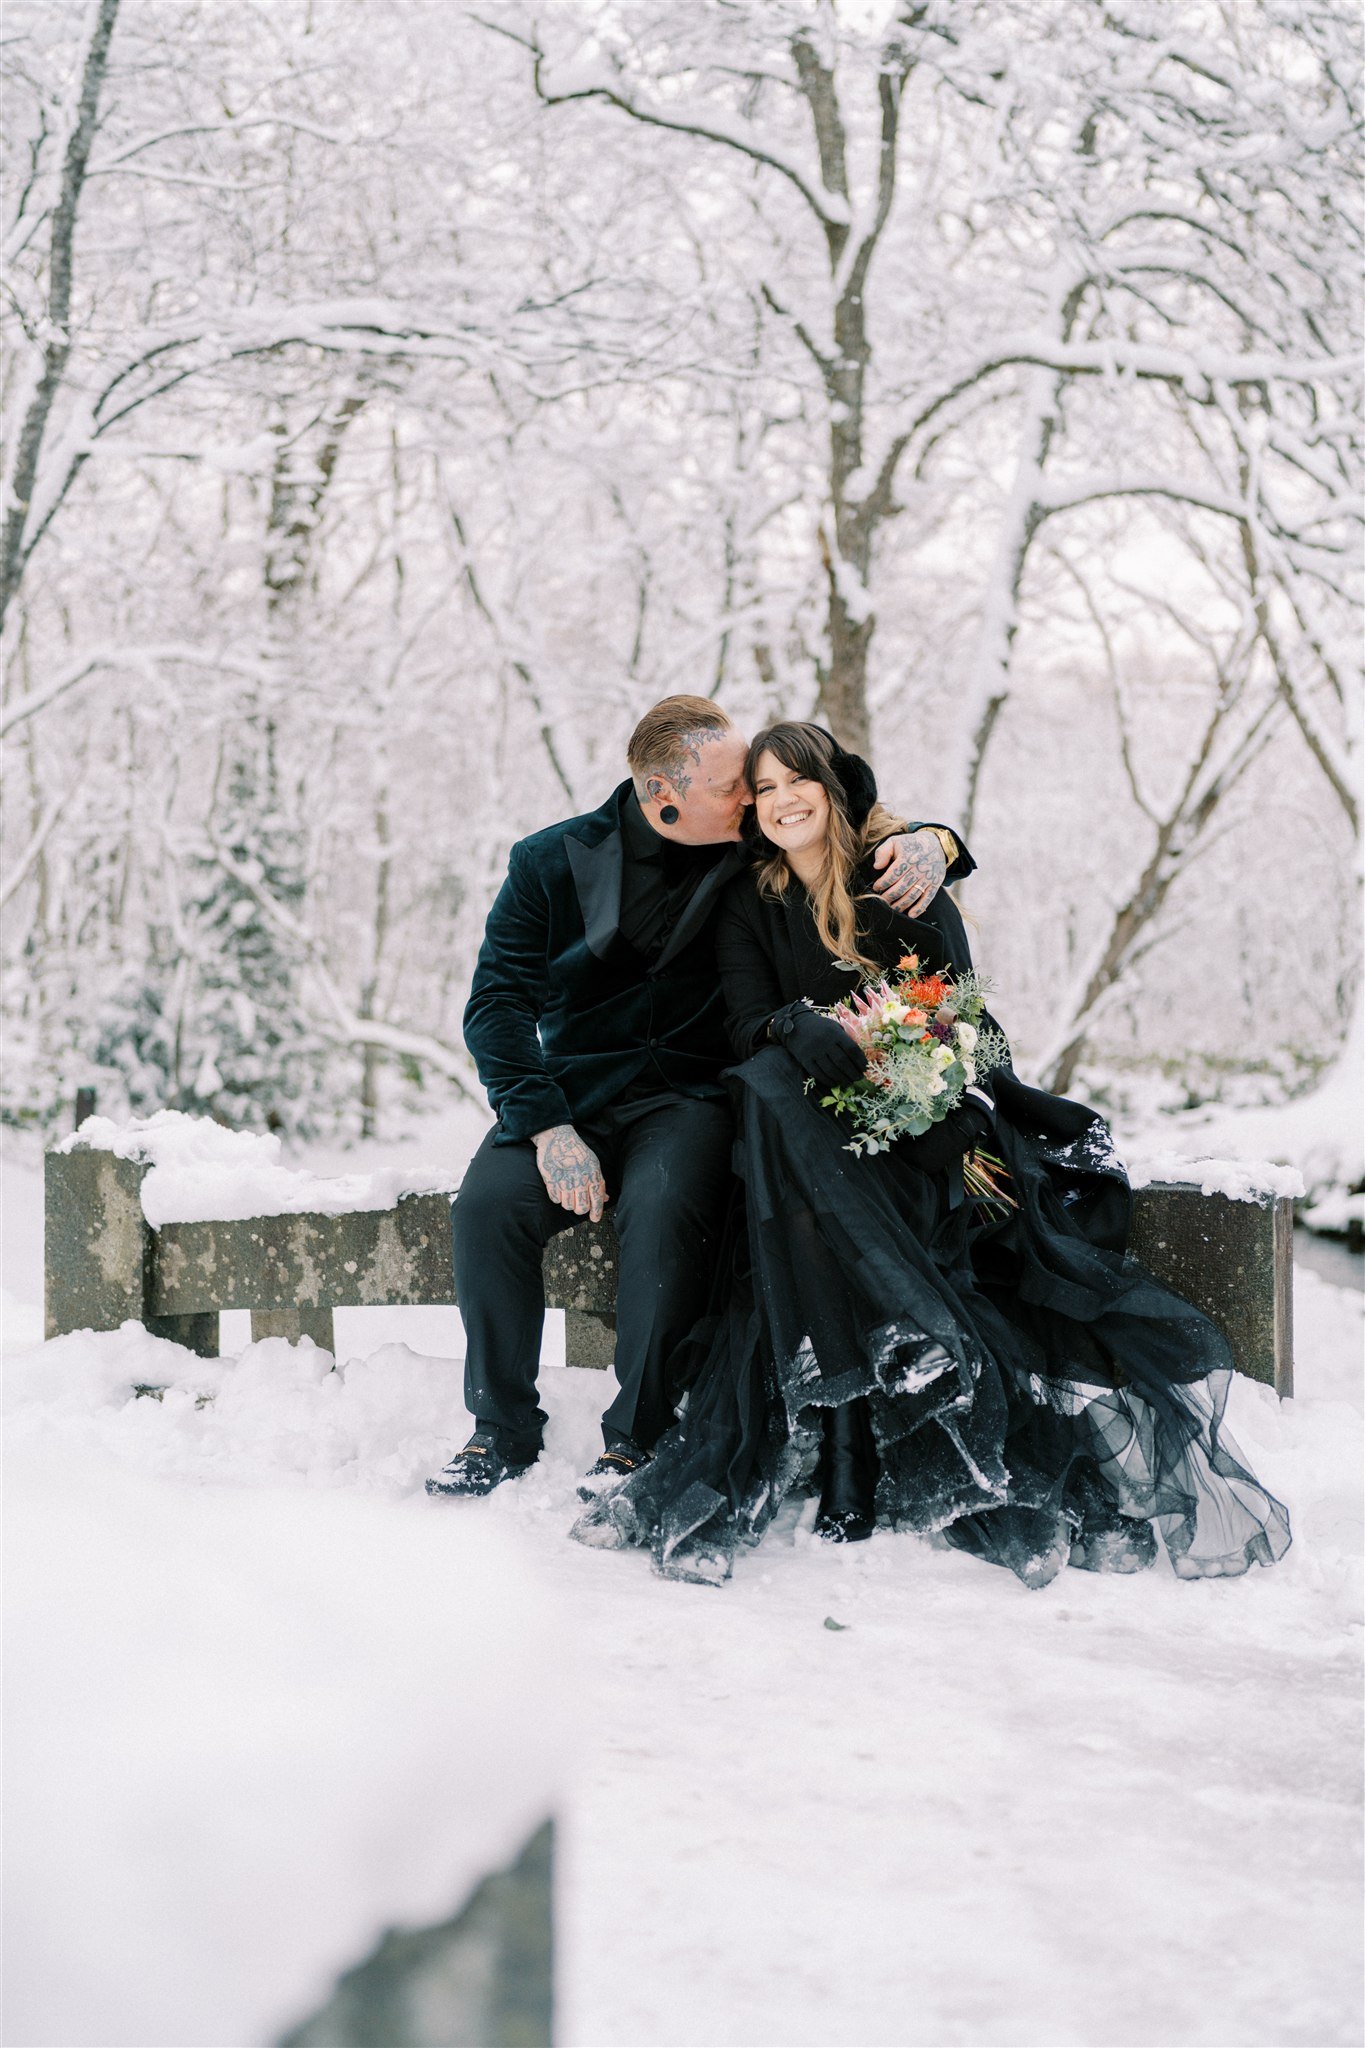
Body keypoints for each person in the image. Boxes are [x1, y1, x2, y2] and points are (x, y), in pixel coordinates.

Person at [572, 721, 1291, 1588]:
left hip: (920, 1126)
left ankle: (858, 1439)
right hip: (805, 1137)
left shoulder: (900, 881)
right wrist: (795, 1028)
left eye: (796, 781)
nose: (779, 800)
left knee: (790, 1136)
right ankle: (844, 1441)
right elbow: (744, 1019)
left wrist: (913, 1082)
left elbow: (961, 1017)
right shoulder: (750, 899)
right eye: (761, 789)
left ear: (834, 790)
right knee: (768, 1089)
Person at [426, 697, 970, 1499]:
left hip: (686, 1097)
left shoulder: (744, 842)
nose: (750, 799)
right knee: (485, 1209)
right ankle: (499, 1429)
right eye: (730, 787)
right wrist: (545, 1128)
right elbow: (496, 1006)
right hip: (568, 1095)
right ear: (661, 793)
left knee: (667, 1204)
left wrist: (936, 842)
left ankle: (635, 1436)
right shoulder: (548, 861)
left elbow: (836, 802)